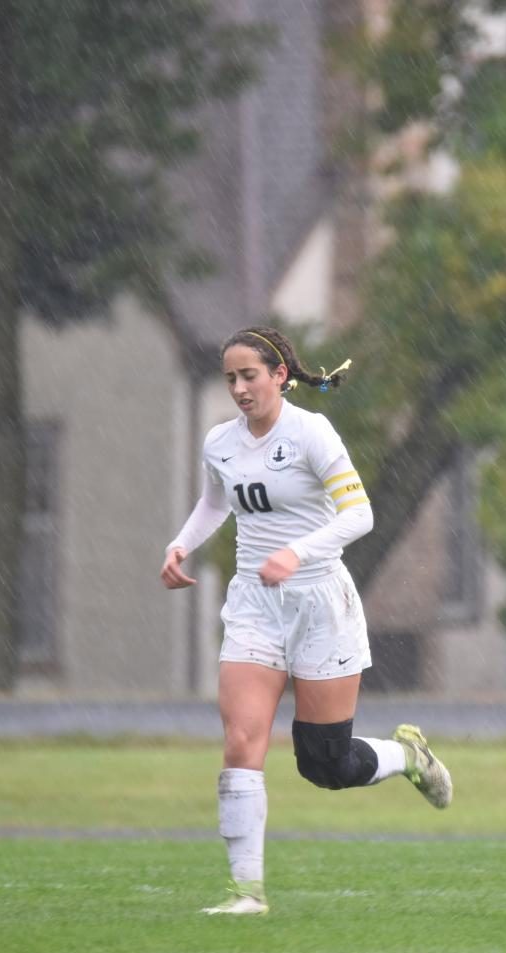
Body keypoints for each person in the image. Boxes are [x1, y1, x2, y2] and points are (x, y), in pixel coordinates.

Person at [161, 326, 452, 917]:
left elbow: (361, 514)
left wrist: (298, 552)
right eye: (230, 378)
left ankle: (407, 757)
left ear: (279, 376)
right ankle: (247, 893)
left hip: (320, 602)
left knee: (326, 765)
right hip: (253, 605)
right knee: (243, 741)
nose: (240, 389)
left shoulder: (311, 432)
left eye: (249, 376)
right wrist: (181, 544)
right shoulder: (220, 442)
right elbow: (217, 500)